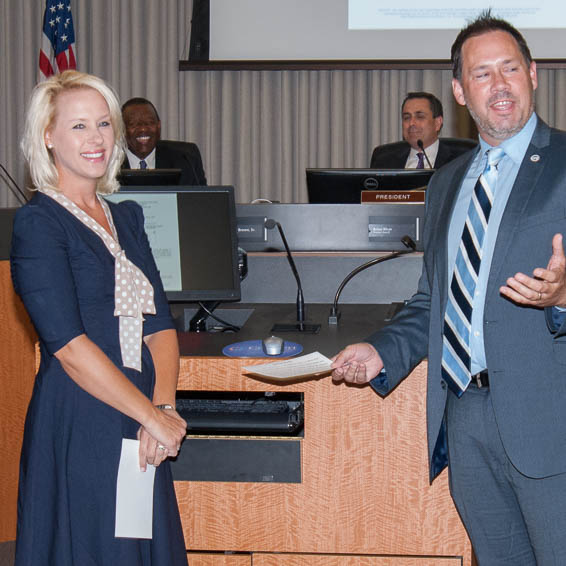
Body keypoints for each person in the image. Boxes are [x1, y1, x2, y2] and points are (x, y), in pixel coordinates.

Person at [333, 11, 566, 565]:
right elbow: (432, 301)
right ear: (460, 91)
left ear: (533, 74)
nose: (500, 84)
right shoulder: (446, 184)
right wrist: (380, 350)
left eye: (510, 68)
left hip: (549, 422)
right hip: (464, 421)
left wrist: (563, 297)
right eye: (482, 74)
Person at [11, 71, 189, 565]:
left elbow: (160, 327)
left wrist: (164, 410)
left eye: (104, 125)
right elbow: (68, 347)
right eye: (79, 126)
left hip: (142, 419)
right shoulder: (39, 223)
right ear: (48, 136)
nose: (96, 139)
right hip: (83, 418)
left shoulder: (127, 216)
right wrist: (150, 416)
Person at [370, 91, 474, 169]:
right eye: (407, 118)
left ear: (437, 123)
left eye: (420, 117)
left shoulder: (462, 159)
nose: (411, 123)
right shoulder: (384, 161)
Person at [121, 96, 207, 185]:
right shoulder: (109, 166)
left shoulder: (186, 161)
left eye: (150, 123)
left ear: (159, 126)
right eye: (134, 124)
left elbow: (202, 198)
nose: (143, 129)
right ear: (121, 129)